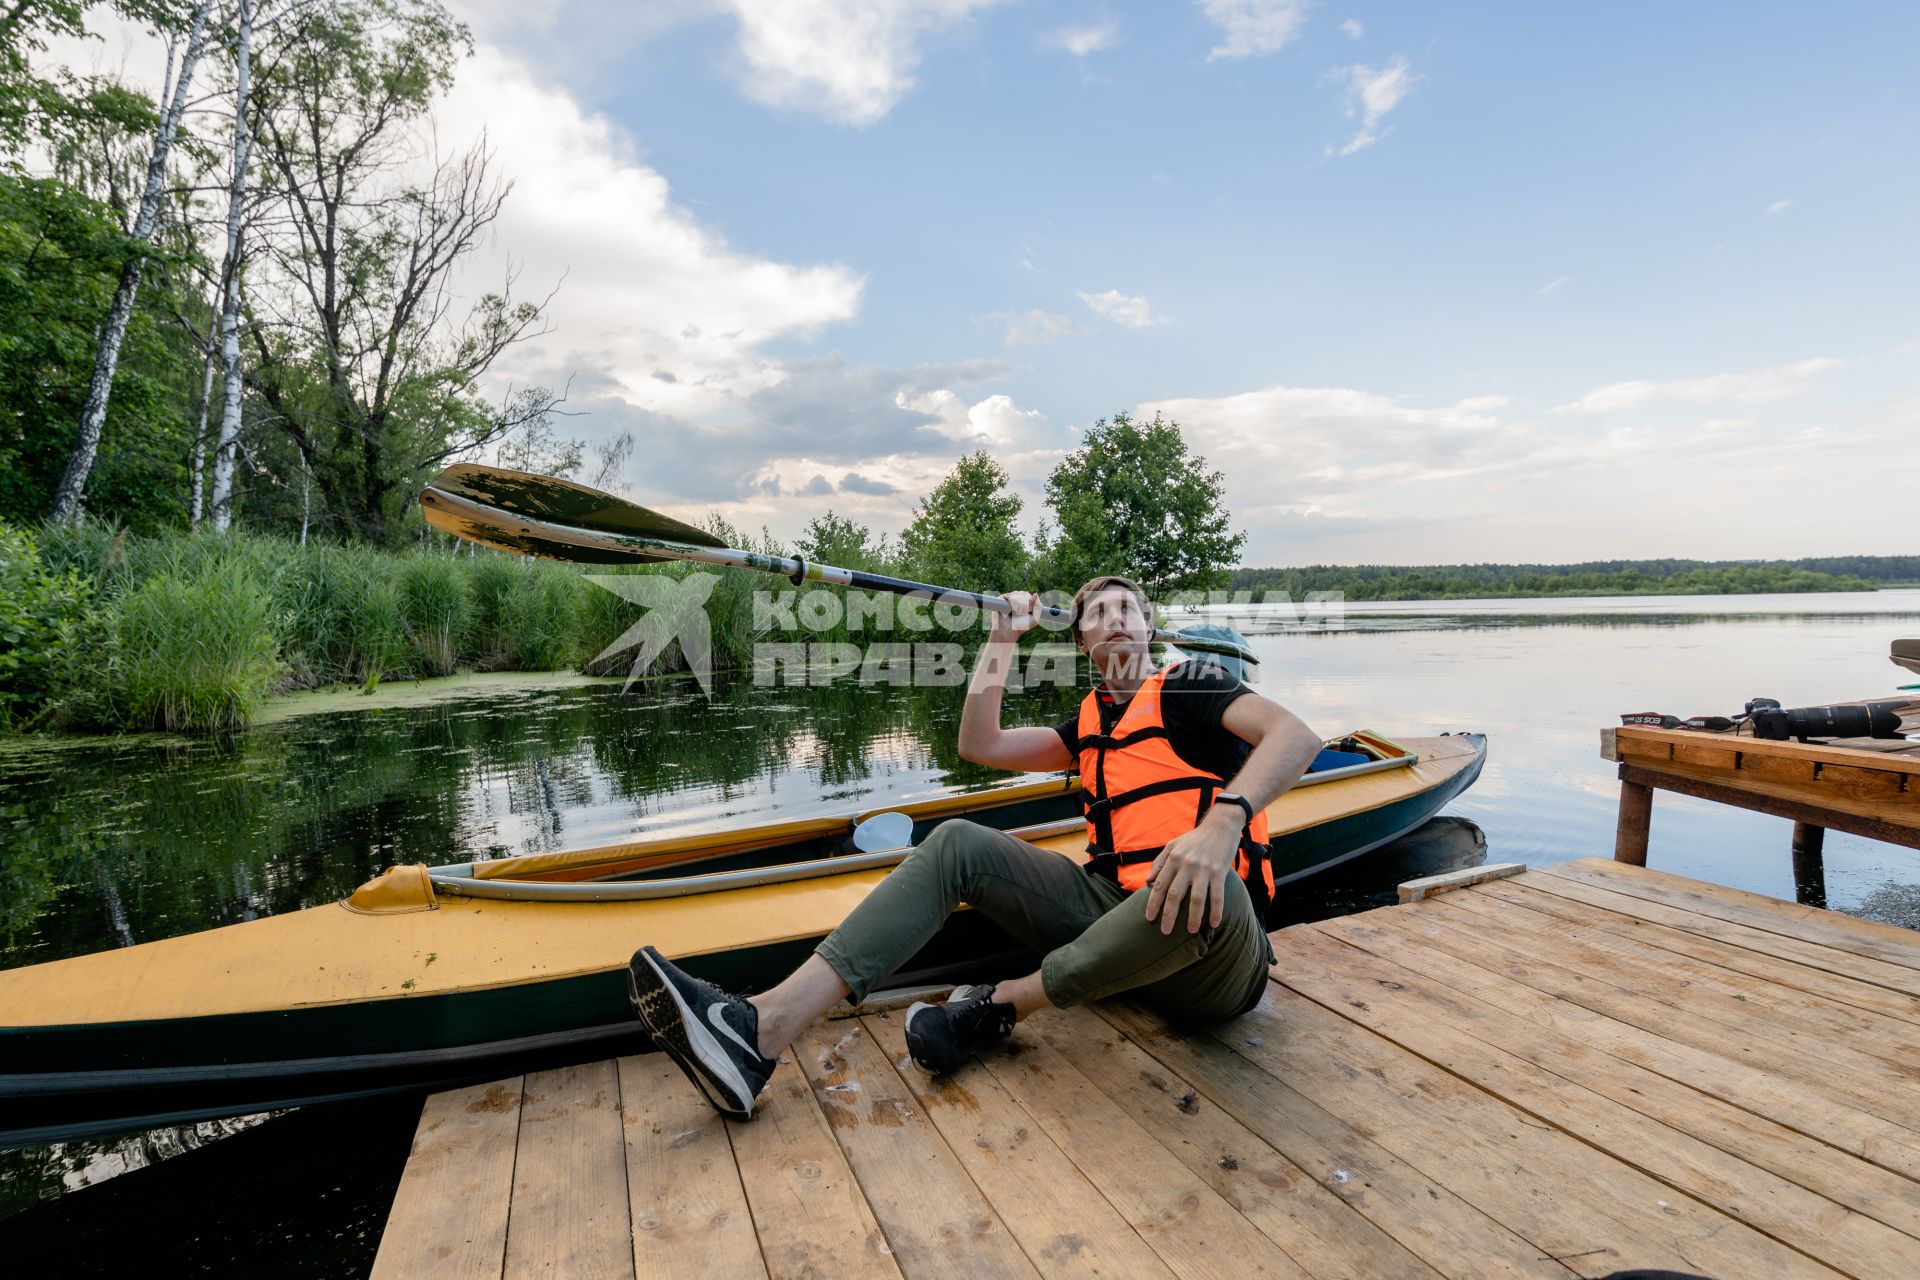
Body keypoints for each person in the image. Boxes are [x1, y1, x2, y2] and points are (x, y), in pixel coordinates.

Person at [626, 574, 1323, 1119]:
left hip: (1215, 955)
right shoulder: (1086, 724)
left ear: (1146, 628)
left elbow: (1297, 737)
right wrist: (1001, 639)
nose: (1114, 618)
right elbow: (977, 745)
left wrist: (1221, 823)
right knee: (957, 840)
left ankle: (996, 1008)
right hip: (1117, 920)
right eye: (1097, 613)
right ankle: (758, 1029)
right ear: (1081, 643)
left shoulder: (1193, 684)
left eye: (1126, 610)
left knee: (1212, 885)